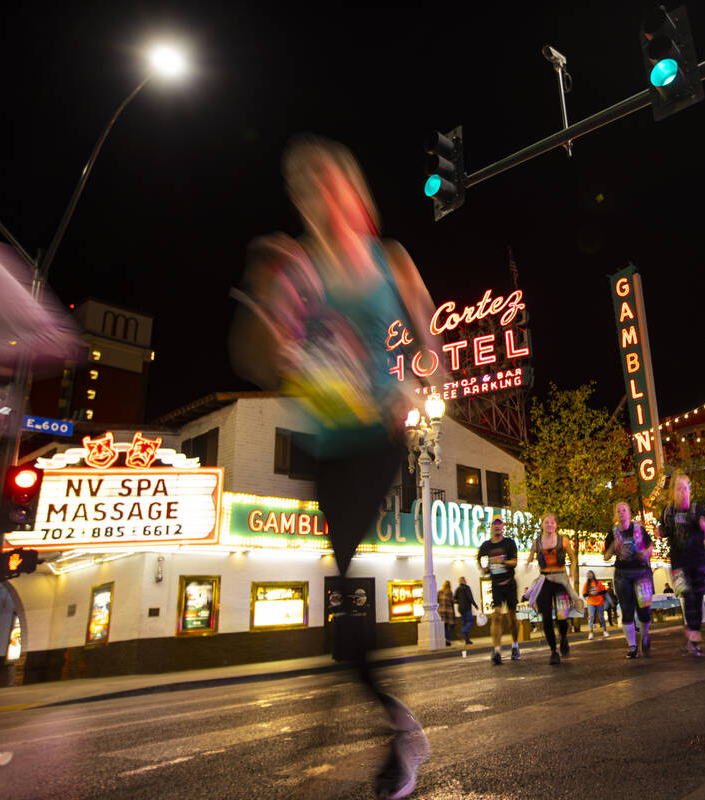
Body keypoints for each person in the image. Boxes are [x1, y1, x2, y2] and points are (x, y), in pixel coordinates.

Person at [228, 137, 436, 799]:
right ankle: (398, 725)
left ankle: (398, 730)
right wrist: (267, 294)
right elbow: (256, 359)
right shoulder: (296, 265)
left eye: (333, 180)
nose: (324, 194)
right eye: (308, 185)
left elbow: (431, 341)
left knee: (346, 587)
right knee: (344, 608)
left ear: (354, 189)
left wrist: (416, 381)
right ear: (303, 200)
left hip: (378, 436)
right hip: (328, 445)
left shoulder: (389, 262)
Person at [658, 473, 705, 657]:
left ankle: (693, 632)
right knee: (687, 595)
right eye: (679, 489)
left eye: (685, 488)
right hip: (678, 563)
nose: (683, 492)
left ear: (690, 489)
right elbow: (663, 531)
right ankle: (694, 636)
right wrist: (660, 532)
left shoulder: (697, 509)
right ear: (673, 491)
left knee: (697, 598)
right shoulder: (668, 511)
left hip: (697, 560)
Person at [526, 513, 584, 664]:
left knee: (562, 616)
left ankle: (564, 637)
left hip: (560, 580)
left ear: (556, 525)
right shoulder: (537, 542)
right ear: (542, 524)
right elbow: (531, 556)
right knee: (546, 617)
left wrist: (572, 571)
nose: (550, 525)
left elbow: (572, 557)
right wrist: (528, 563)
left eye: (552, 522)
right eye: (547, 522)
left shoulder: (563, 540)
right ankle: (553, 651)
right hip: (544, 580)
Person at [604, 501, 656, 658]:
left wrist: (645, 553)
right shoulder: (612, 533)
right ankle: (632, 646)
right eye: (618, 511)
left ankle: (645, 635)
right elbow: (606, 556)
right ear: (615, 514)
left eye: (624, 510)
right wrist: (614, 547)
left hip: (641, 572)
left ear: (629, 513)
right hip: (622, 574)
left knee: (644, 610)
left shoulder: (639, 529)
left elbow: (651, 546)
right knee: (626, 610)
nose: (621, 513)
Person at [476, 516, 520, 665]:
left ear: (503, 527)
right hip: (496, 585)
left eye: (500, 524)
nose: (497, 526)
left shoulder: (509, 543)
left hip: (510, 584)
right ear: (491, 527)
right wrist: (483, 568)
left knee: (512, 618)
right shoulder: (486, 545)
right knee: (496, 616)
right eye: (495, 524)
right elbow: (479, 558)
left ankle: (515, 646)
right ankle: (497, 650)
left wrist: (501, 561)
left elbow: (514, 563)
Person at [581, 570, 611, 639]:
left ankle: (605, 630)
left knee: (601, 616)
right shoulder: (586, 584)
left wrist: (597, 593)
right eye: (588, 574)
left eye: (591, 574)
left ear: (593, 575)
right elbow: (584, 594)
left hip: (600, 602)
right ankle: (591, 632)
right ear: (587, 576)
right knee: (591, 617)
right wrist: (590, 594)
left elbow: (604, 591)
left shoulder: (599, 582)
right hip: (590, 602)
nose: (589, 575)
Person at [455, 576, 477, 646]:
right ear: (464, 581)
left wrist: (460, 602)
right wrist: (475, 605)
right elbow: (470, 597)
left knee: (464, 623)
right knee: (471, 621)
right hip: (467, 608)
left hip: (460, 609)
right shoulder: (467, 588)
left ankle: (467, 640)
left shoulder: (457, 589)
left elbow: (455, 599)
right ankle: (462, 632)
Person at [437, 580, 456, 647]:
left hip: (441, 611)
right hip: (449, 611)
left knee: (444, 626)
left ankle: (446, 639)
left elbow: (437, 601)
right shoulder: (450, 593)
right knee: (450, 626)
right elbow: (452, 602)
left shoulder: (439, 592)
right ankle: (447, 639)